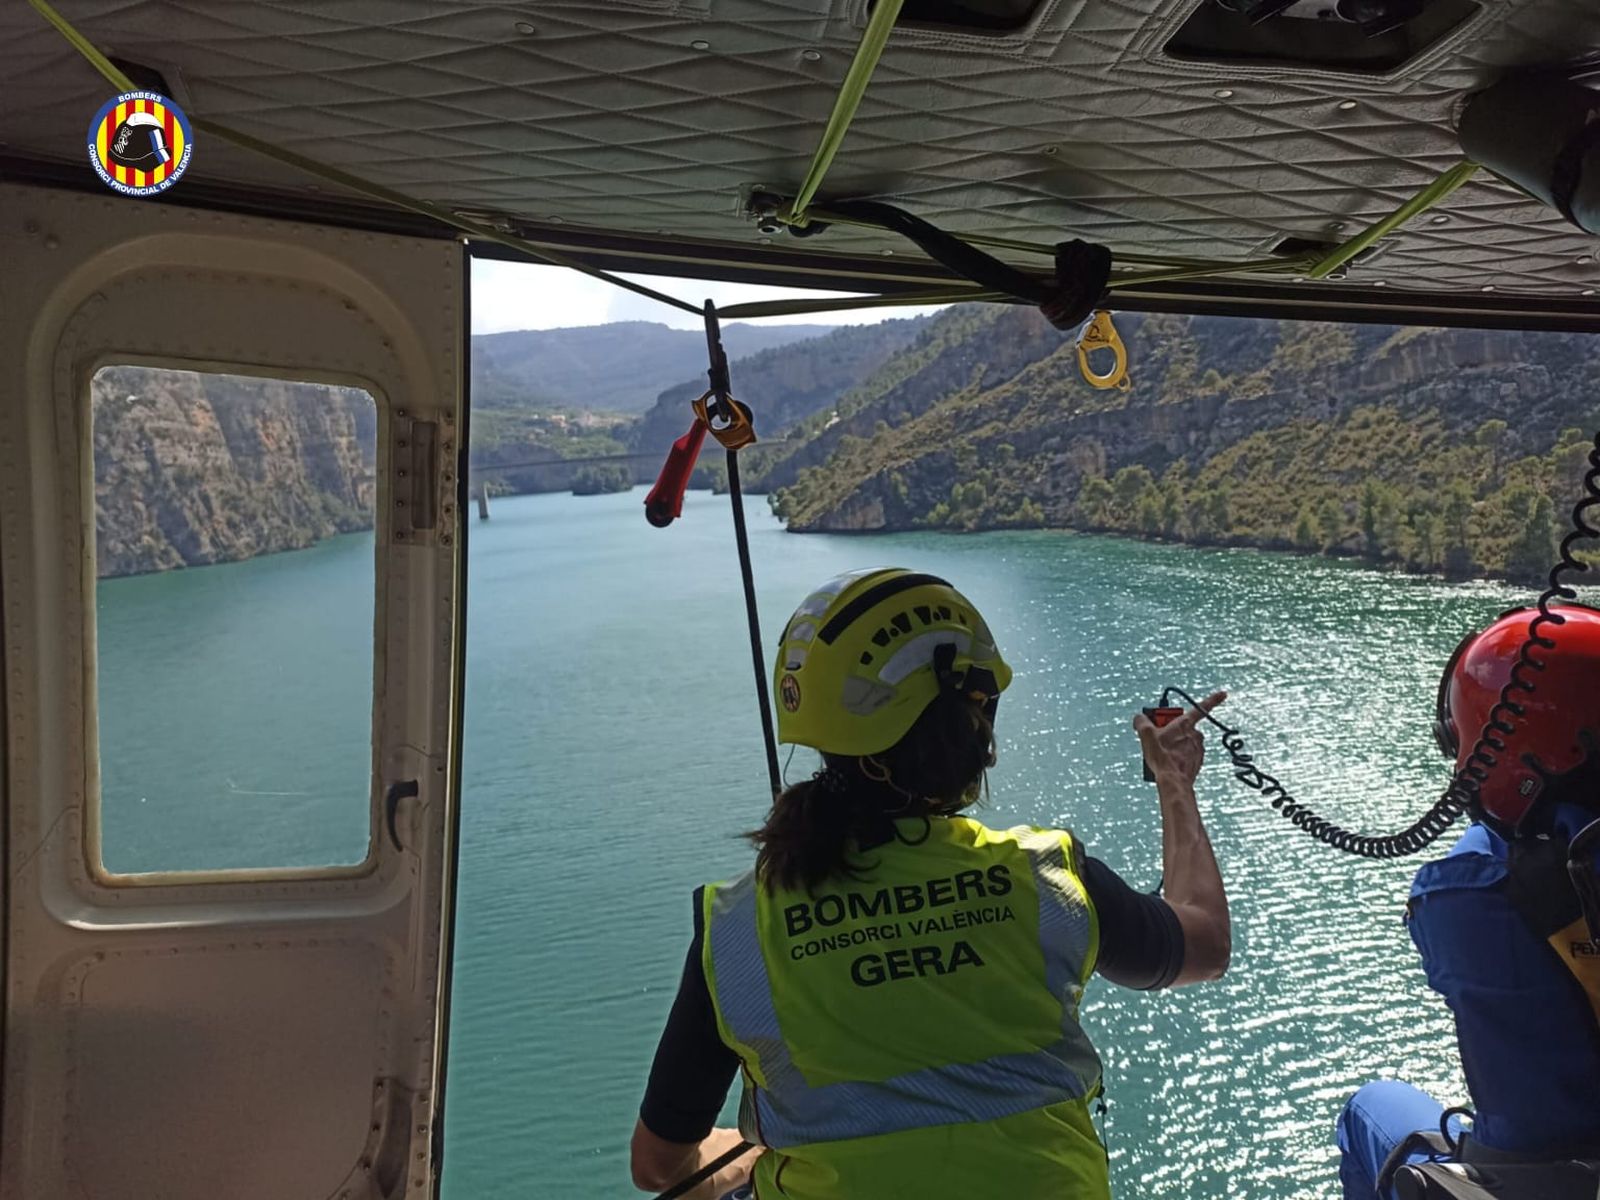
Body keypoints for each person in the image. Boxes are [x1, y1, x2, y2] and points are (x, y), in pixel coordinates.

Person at [631, 567, 1232, 1200]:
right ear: (970, 726)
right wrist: (1174, 781)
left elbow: (657, 1167)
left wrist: (761, 1146)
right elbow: (1205, 942)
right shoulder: (1048, 879)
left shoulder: (738, 929)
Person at [1336, 604, 1600, 1198]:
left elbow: (1457, 884)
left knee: (1370, 1109)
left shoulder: (1466, 891)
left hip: (1536, 1178)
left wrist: (1489, 797)